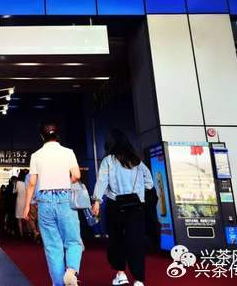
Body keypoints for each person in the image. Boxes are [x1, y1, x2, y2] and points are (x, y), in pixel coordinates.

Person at [23, 121, 83, 286]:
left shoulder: (36, 155)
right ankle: (71, 270)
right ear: (58, 135)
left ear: (41, 137)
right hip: (65, 199)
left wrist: (27, 206)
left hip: (44, 201)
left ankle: (58, 283)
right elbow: (76, 175)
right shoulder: (68, 152)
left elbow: (32, 183)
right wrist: (65, 182)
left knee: (52, 247)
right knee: (73, 240)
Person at [91, 129, 154, 286]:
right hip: (136, 206)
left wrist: (97, 201)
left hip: (115, 205)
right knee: (136, 242)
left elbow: (102, 181)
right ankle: (139, 280)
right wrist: (138, 190)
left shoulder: (108, 160)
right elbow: (150, 183)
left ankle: (121, 274)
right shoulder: (137, 161)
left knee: (116, 240)